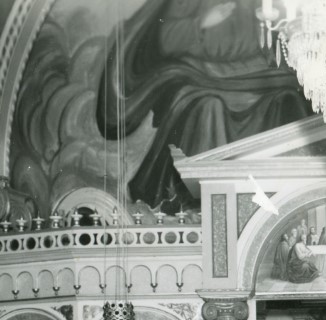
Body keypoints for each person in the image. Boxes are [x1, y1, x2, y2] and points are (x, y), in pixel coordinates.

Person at [96, 0, 312, 210]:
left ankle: (294, 200)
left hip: (254, 74)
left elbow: (284, 38)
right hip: (201, 75)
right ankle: (201, 207)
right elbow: (167, 38)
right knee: (209, 107)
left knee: (289, 98)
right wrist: (201, 22)